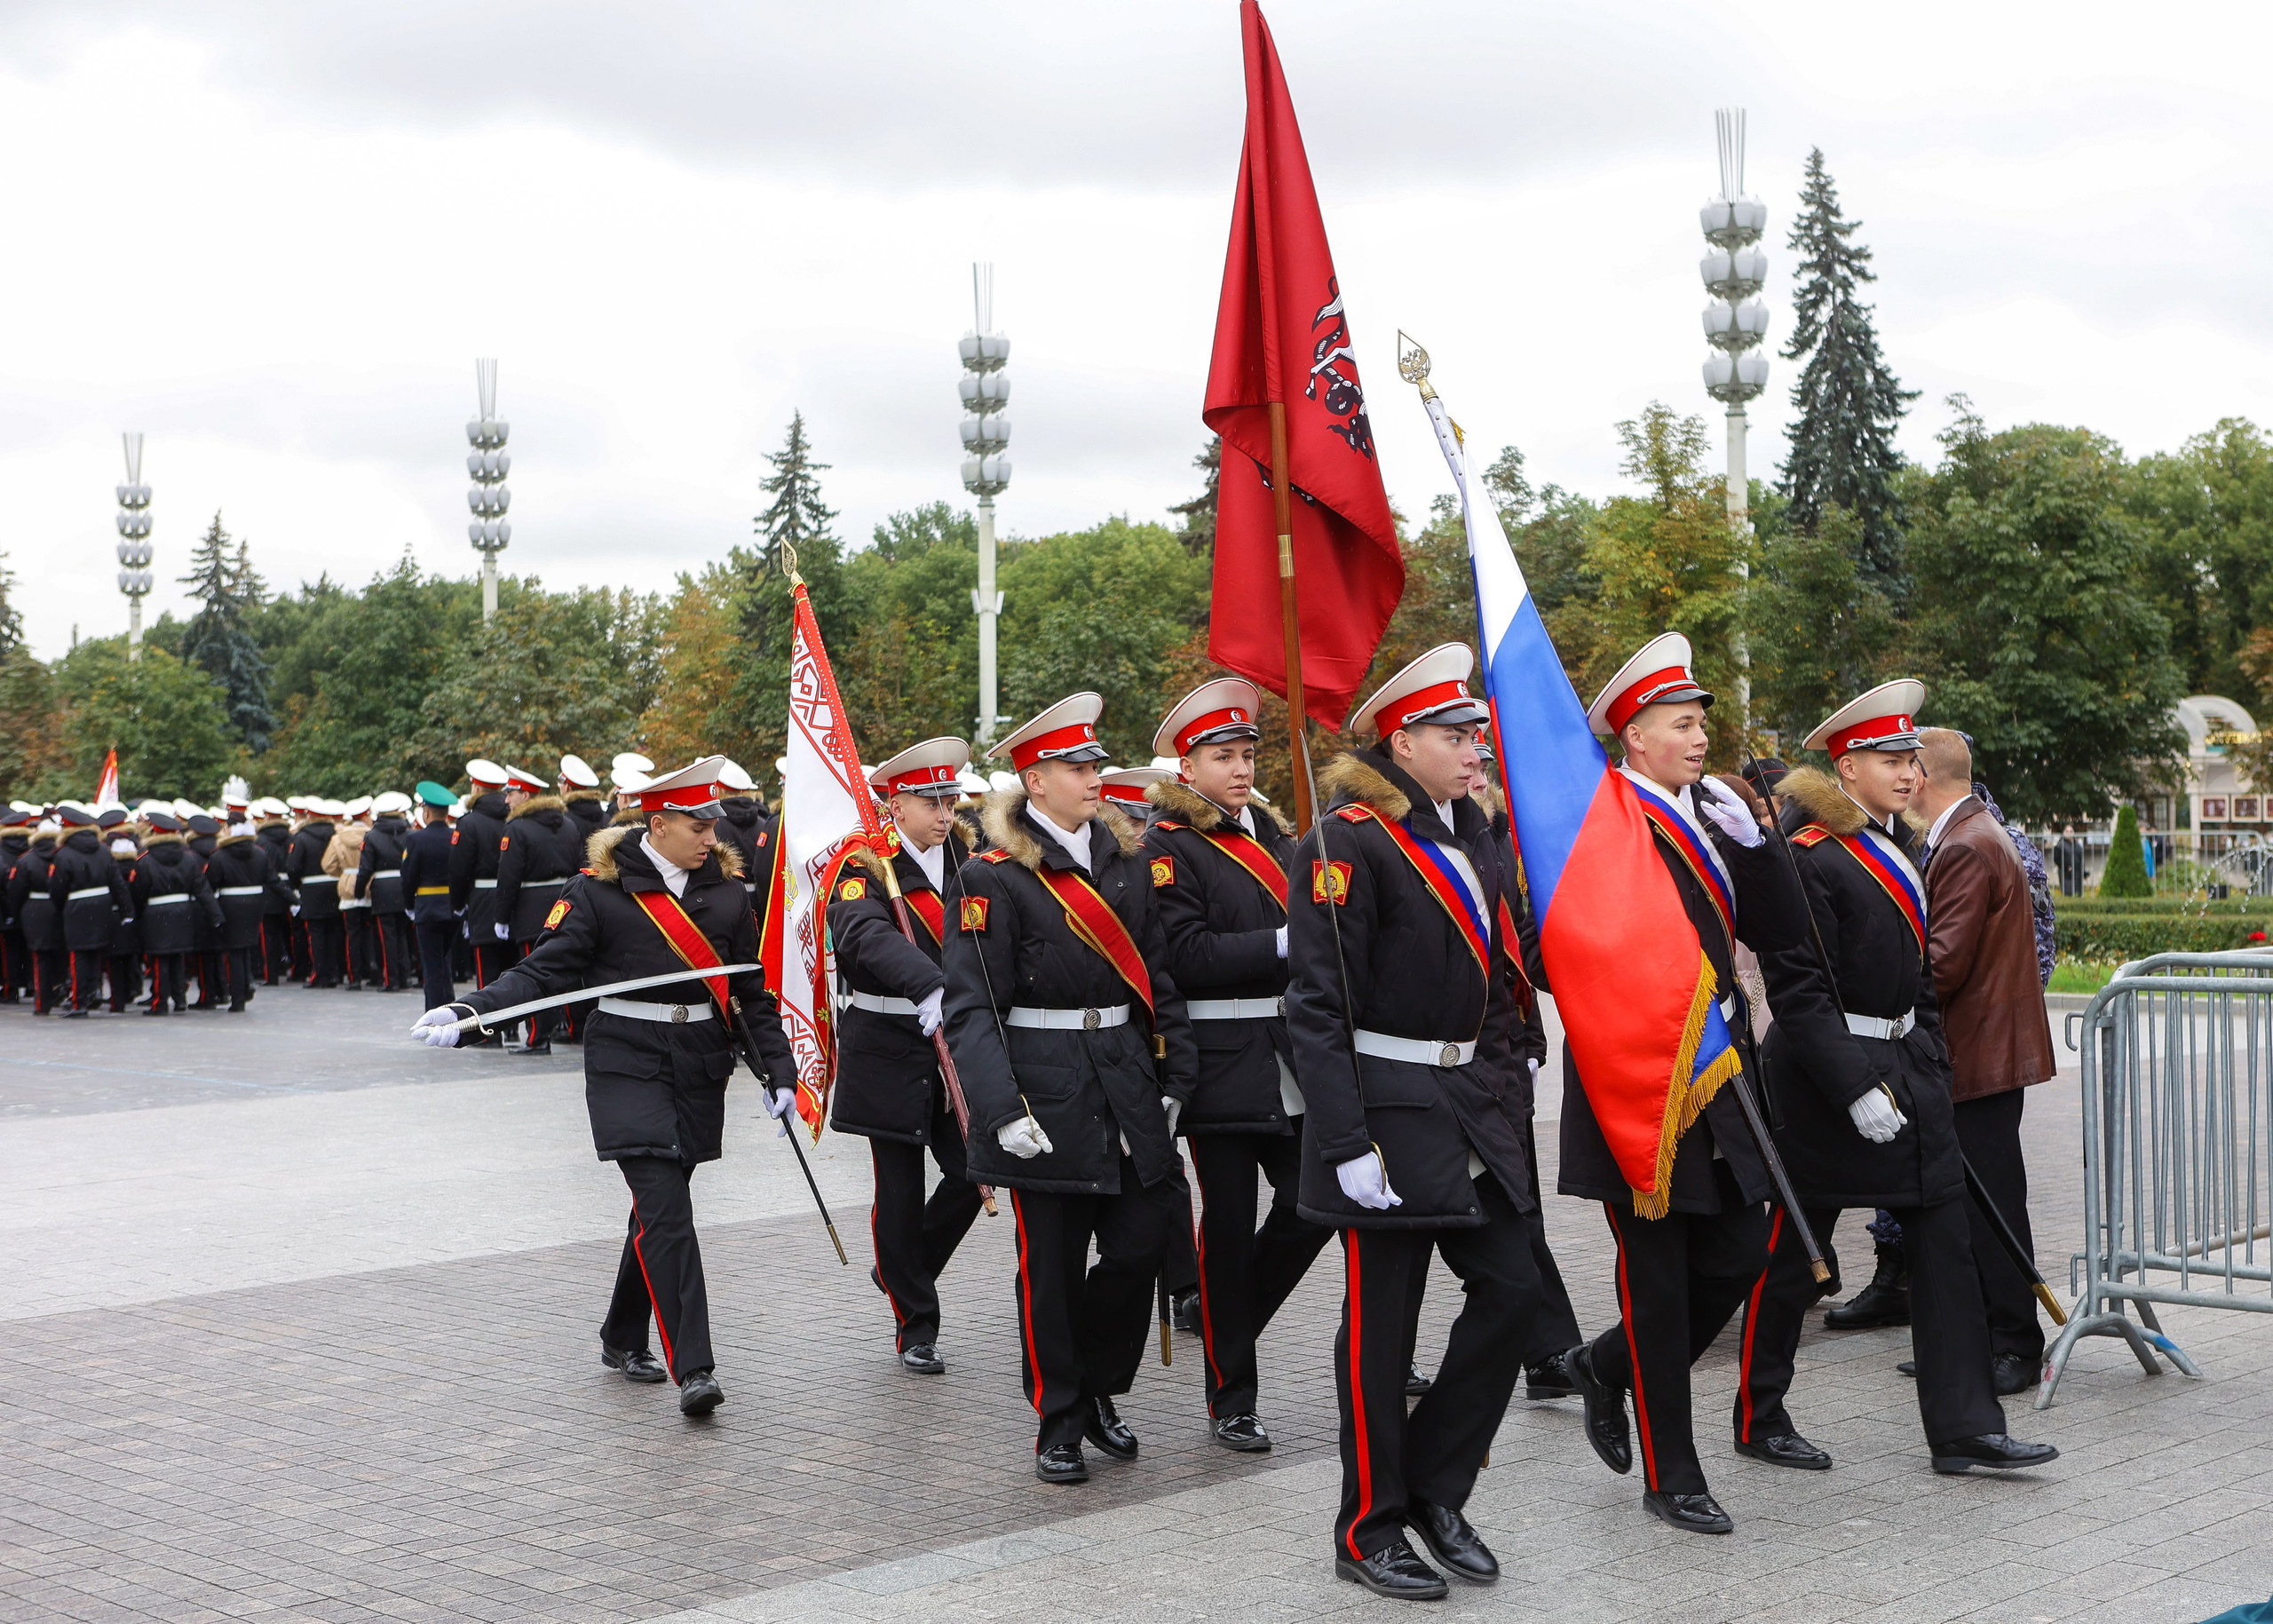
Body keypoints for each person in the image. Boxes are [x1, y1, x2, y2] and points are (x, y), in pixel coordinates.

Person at [413, 757, 799, 1418]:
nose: (713, 835)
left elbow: (750, 995)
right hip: (627, 1061)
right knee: (665, 1206)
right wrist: (472, 1012)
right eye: (699, 824)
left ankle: (622, 1335)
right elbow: (542, 973)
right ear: (659, 822)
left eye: (714, 822)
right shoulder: (597, 891)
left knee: (659, 1205)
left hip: (698, 1062)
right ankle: (695, 1366)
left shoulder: (732, 895)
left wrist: (780, 1073)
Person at [1738, 681, 2057, 1477]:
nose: (1910, 770)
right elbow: (1801, 990)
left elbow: (1917, 975)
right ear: (1847, 767)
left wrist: (1928, 1062)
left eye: (1912, 755)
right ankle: (1757, 1410)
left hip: (1906, 1070)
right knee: (1791, 1259)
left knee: (1946, 1243)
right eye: (1890, 757)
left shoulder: (1901, 847)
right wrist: (1853, 1085)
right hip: (1826, 1078)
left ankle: (1963, 1427)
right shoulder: (1810, 857)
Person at [1287, 646, 1549, 1600]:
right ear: (1402, 740)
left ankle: (1435, 1485)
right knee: (1380, 1335)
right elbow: (1316, 1006)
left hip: (1471, 1107)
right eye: (1455, 734)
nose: (1475, 748)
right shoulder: (1344, 842)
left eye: (1477, 731)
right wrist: (1346, 1138)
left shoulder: (1471, 827)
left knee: (1514, 1291)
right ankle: (1367, 1525)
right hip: (1387, 1113)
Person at [1554, 635, 1808, 1537]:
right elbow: (1562, 954)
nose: (1699, 737)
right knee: (1657, 1281)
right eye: (1681, 723)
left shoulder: (1707, 813)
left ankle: (1606, 1363)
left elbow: (1780, 934)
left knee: (1746, 1244)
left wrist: (1759, 843)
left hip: (1720, 1067)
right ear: (1634, 735)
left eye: (1701, 722)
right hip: (1641, 1077)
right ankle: (1673, 1473)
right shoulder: (1599, 819)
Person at [941, 693, 1197, 1485]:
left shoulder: (1124, 858)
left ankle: (1096, 1388)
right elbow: (971, 1004)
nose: (1093, 776)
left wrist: (1175, 1072)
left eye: (1094, 762)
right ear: (1035, 779)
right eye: (1076, 766)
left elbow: (1157, 972)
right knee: (1050, 1263)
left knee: (1138, 1245)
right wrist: (999, 1108)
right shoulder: (992, 875)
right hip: (1043, 1087)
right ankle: (1059, 1417)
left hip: (1124, 1071)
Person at [1136, 677, 1331, 1454]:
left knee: (1313, 1204)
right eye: (1224, 755)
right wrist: (1281, 945)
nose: (1242, 767)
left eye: (1248, 752)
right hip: (1218, 1064)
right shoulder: (1165, 846)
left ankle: (1230, 1317)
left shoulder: (1278, 836)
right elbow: (1182, 954)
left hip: (1289, 1055)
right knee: (1226, 1224)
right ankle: (1232, 1394)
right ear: (1188, 767)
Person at [828, 737, 986, 1375]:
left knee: (977, 1172)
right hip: (890, 1044)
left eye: (951, 799)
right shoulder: (865, 863)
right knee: (899, 1188)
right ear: (897, 801)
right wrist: (928, 982)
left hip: (956, 1045)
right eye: (931, 800)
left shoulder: (969, 860)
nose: (946, 813)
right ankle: (916, 1323)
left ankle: (900, 1267)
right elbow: (861, 935)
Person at [1913, 728, 2058, 1394]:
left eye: (1900, 762)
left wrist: (1877, 989)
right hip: (1978, 1054)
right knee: (1972, 1203)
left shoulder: (1967, 844)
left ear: (1920, 773)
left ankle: (2015, 1346)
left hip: (1977, 1057)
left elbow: (1943, 963)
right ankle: (1980, 1340)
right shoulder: (1968, 832)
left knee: (1991, 1207)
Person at [1464, 733, 1583, 1402]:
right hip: (1438, 1064)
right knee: (1429, 1233)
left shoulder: (1496, 840)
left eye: (1479, 753)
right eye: (1457, 744)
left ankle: (1547, 1351)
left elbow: (1514, 954)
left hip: (1503, 1052)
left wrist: (1533, 1038)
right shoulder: (1395, 839)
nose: (1476, 768)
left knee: (1519, 1209)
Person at [495, 770, 584, 1053]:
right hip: (564, 905)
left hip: (531, 909)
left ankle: (537, 1037)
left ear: (526, 795)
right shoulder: (568, 824)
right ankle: (572, 1026)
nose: (507, 800)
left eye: (511, 793)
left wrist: (501, 916)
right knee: (565, 970)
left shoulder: (517, 828)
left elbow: (508, 877)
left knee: (534, 974)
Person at [129, 812, 225, 1016]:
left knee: (159, 960)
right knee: (178, 958)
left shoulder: (145, 860)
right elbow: (201, 889)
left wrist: (134, 916)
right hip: (183, 913)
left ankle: (159, 1002)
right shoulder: (188, 858)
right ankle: (180, 1000)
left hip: (156, 913)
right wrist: (215, 914)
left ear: (154, 832)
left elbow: (138, 891)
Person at [448, 761, 516, 1034]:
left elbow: (458, 870)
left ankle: (489, 1029)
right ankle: (512, 1026)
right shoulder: (512, 819)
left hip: (482, 899)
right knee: (511, 969)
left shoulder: (469, 823)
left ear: (476, 788)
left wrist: (458, 903)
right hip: (511, 899)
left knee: (486, 970)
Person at [48, 803, 133, 1016]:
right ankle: (94, 993)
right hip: (103, 906)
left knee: (78, 956)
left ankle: (79, 1002)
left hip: (77, 907)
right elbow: (117, 884)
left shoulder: (63, 854)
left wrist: (61, 909)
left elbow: (57, 888)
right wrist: (126, 911)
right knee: (97, 954)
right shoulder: (104, 851)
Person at [210, 808, 282, 1011]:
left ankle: (238, 997)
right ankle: (246, 985)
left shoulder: (219, 856)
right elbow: (273, 880)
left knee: (234, 952)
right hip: (255, 905)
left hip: (230, 906)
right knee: (246, 949)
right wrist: (293, 899)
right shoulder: (260, 854)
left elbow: (212, 883)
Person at [400, 783, 462, 1011]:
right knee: (444, 963)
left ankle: (436, 1015)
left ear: (426, 812)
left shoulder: (417, 839)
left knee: (433, 965)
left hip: (428, 909)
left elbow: (408, 877)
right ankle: (450, 1006)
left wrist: (408, 905)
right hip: (453, 909)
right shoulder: (456, 837)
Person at [355, 792, 416, 992]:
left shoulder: (372, 835)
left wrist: (358, 891)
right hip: (405, 887)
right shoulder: (409, 833)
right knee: (403, 935)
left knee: (387, 937)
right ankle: (405, 976)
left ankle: (392, 980)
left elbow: (365, 869)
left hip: (383, 891)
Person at [9, 816, 64, 1012]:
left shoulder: (26, 860)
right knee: (61, 955)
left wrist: (16, 913)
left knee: (40, 958)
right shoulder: (62, 856)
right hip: (59, 909)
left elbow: (16, 891)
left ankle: (43, 1003)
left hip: (35, 911)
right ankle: (60, 992)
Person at [288, 799, 345, 988]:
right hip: (334, 887)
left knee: (316, 935)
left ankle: (320, 975)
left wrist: (298, 886)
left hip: (312, 890)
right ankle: (334, 973)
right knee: (334, 932)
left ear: (309, 815)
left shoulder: (301, 838)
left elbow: (294, 868)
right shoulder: (336, 834)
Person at [328, 796, 375, 990]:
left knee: (352, 934)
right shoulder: (372, 835)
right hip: (370, 884)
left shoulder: (337, 838)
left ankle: (354, 976)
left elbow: (328, 865)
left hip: (347, 886)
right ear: (365, 816)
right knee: (371, 932)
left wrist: (345, 873)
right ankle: (374, 972)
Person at [256, 801, 296, 983]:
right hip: (289, 886)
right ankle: (295, 968)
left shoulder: (261, 840)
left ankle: (271, 974)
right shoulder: (291, 837)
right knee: (290, 932)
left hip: (269, 889)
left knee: (268, 936)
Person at [0, 804, 35, 1002]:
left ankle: (9, 989)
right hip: (31, 906)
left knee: (8, 953)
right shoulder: (32, 848)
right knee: (29, 948)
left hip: (6, 909)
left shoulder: (2, 850)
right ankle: (31, 985)